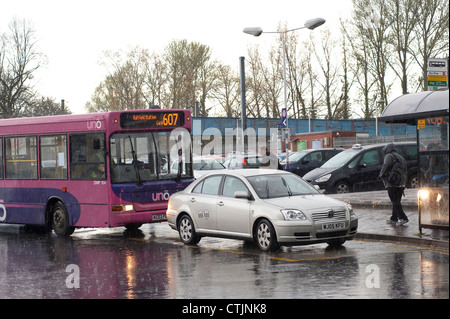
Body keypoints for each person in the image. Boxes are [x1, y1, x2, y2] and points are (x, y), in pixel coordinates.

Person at [379, 143, 409, 226]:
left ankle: (403, 218)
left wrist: (381, 174)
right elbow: (405, 170)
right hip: (401, 183)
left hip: (392, 183)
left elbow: (385, 166)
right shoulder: (401, 157)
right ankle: (394, 218)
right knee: (397, 201)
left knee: (395, 201)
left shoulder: (388, 156)